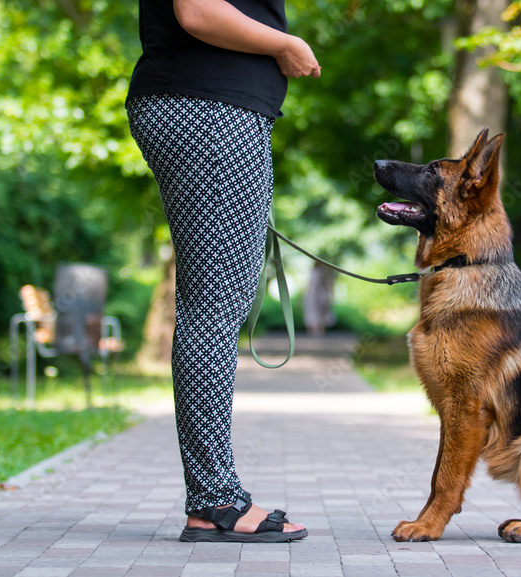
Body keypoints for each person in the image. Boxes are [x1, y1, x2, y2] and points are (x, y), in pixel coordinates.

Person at [125, 0, 320, 543]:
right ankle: (214, 501)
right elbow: (198, 11)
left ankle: (211, 496)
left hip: (210, 107)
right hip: (207, 108)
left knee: (213, 299)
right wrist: (285, 43)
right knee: (214, 301)